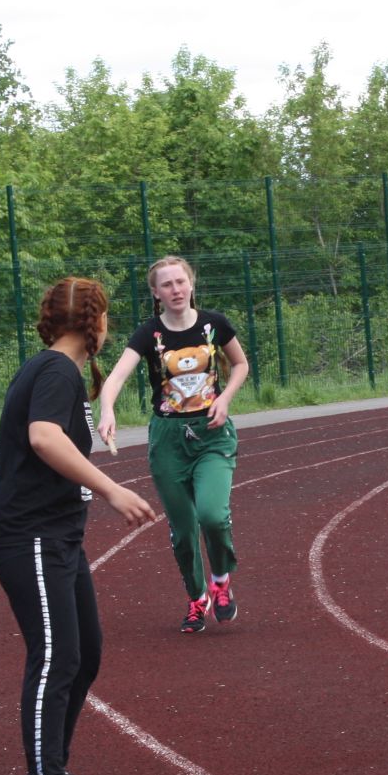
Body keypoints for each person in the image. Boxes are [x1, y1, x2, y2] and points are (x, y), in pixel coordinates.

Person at [0, 278, 155, 775]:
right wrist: (111, 489)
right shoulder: (56, 370)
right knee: (55, 657)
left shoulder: (55, 370)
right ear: (94, 322)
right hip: (30, 536)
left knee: (87, 653)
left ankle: (50, 768)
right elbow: (43, 438)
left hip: (55, 536)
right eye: (106, 318)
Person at [95, 256, 249, 633]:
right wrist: (107, 409)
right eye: (167, 285)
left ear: (191, 284)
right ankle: (197, 598)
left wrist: (225, 398)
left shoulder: (215, 324)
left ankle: (221, 579)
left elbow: (240, 364)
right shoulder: (148, 334)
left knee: (212, 515)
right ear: (155, 293)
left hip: (212, 433)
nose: (176, 290)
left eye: (181, 282)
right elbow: (116, 376)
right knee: (183, 531)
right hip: (168, 440)